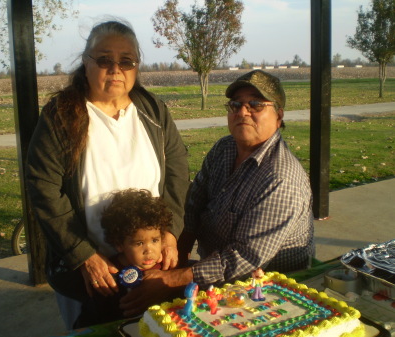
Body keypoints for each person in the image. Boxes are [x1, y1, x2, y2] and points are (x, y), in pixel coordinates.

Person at [25, 18, 189, 329]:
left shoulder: (153, 111)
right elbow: (43, 187)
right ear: (85, 64)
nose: (115, 69)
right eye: (104, 60)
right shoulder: (62, 115)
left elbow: (178, 174)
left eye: (126, 61)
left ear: (136, 67)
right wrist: (82, 255)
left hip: (149, 265)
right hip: (92, 274)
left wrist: (170, 234)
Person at [119, 69, 315, 316]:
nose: (243, 112)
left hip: (268, 290)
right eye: (235, 105)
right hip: (217, 273)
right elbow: (194, 202)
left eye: (255, 104)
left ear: (279, 115)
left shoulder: (281, 178)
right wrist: (175, 254)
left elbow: (245, 258)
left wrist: (172, 280)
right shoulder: (225, 148)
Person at [74, 188, 172, 327]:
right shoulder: (109, 276)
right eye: (139, 243)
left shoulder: (167, 267)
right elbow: (90, 318)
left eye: (155, 240)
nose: (149, 250)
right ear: (119, 244)